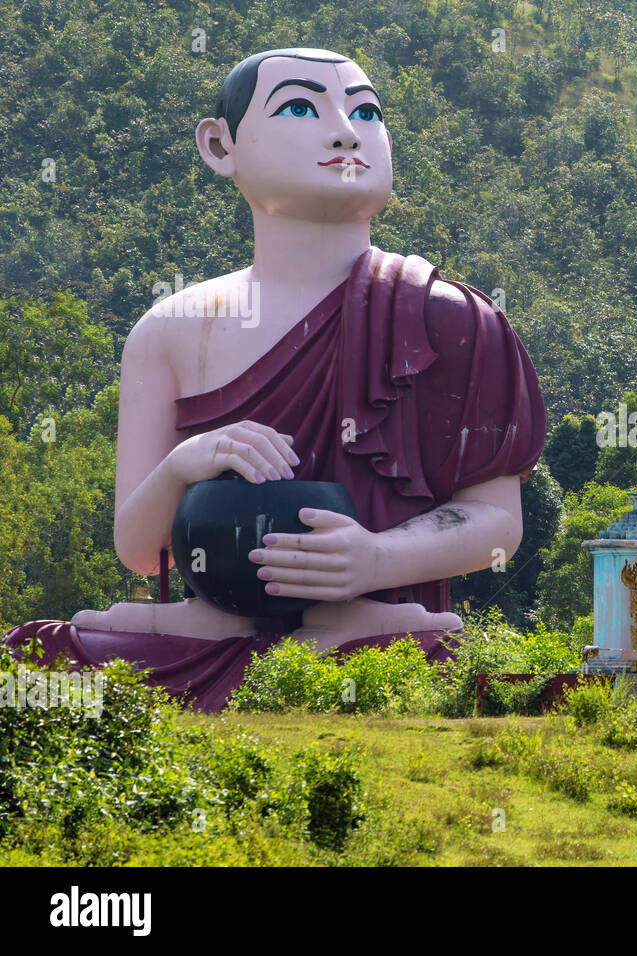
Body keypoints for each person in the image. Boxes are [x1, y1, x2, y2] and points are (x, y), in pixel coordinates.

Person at [3, 49, 547, 710]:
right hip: (206, 634)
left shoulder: (446, 317)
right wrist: (183, 466)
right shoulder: (168, 330)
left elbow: (496, 521)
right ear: (220, 145)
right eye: (299, 106)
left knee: (443, 670)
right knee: (39, 660)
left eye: (366, 111)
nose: (346, 130)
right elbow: (141, 552)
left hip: (372, 637)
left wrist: (375, 558)